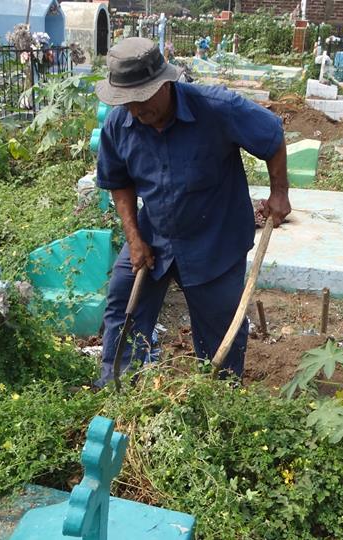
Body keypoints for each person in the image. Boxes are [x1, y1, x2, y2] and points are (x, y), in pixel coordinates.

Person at [93, 37, 291, 389]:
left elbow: (272, 135)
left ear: (165, 83)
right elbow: (119, 182)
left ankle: (217, 400)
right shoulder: (119, 124)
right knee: (123, 304)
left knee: (219, 327)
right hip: (154, 234)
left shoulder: (218, 108)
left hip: (214, 239)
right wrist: (135, 238)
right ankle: (117, 391)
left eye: (142, 98)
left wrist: (279, 193)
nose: (136, 110)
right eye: (126, 101)